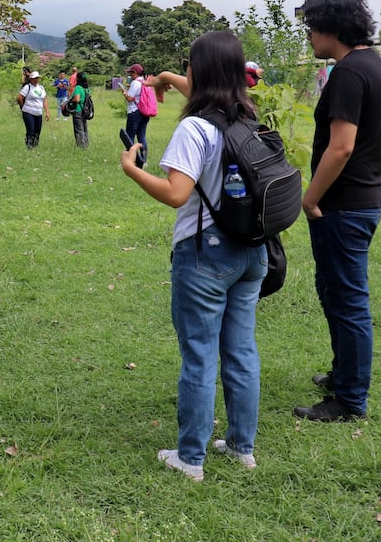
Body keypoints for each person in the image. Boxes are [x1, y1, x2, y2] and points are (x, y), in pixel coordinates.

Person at [121, 30, 267, 481]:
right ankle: (241, 447)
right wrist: (168, 77)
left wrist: (131, 170)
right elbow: (203, 92)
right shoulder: (248, 118)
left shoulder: (195, 128)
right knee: (240, 350)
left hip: (206, 254)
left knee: (200, 355)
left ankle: (191, 459)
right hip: (252, 251)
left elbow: (176, 193)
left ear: (197, 70)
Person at [293, 0, 381, 423]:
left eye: (311, 28)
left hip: (344, 206)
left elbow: (342, 147)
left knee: (348, 301)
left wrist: (310, 198)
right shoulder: (375, 65)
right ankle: (343, 375)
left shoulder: (350, 73)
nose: (309, 37)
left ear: (330, 27)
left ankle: (350, 400)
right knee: (334, 292)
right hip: (361, 201)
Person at [123, 63, 150, 167]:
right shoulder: (145, 81)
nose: (130, 75)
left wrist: (125, 93)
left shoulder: (135, 83)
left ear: (135, 73)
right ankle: (144, 160)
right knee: (142, 137)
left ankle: (130, 160)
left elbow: (130, 98)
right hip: (144, 112)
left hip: (134, 112)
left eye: (131, 73)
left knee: (129, 137)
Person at [17, 69, 49, 148]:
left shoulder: (41, 88)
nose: (36, 80)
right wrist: (23, 106)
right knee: (30, 130)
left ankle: (35, 146)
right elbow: (19, 98)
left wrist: (47, 112)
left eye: (37, 78)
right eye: (34, 78)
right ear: (31, 79)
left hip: (38, 113)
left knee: (37, 132)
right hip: (28, 112)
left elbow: (44, 100)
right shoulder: (28, 87)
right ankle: (29, 146)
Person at [70, 71, 91, 148]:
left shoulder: (78, 88)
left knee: (79, 129)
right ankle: (86, 143)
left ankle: (81, 146)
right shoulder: (87, 89)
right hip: (85, 110)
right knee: (84, 128)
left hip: (78, 110)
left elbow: (77, 99)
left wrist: (71, 100)